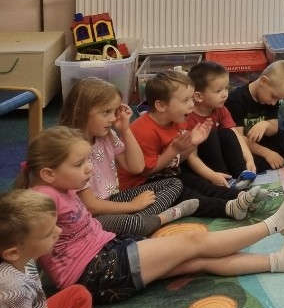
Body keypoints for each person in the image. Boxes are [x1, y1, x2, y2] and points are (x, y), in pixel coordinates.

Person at [17, 126, 284, 304]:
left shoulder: (63, 187)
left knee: (197, 260)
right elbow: (20, 248)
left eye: (87, 162)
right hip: (95, 271)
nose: (89, 169)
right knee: (193, 242)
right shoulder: (43, 198)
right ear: (48, 173)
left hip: (106, 254)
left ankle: (278, 262)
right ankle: (274, 225)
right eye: (79, 164)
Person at [58, 77, 198, 237]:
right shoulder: (70, 149)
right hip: (89, 217)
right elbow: (90, 206)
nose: (112, 118)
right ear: (80, 112)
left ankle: (143, 221)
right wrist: (133, 205)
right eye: (106, 112)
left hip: (112, 200)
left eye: (114, 112)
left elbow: (136, 167)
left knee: (174, 183)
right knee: (134, 223)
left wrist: (125, 129)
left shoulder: (106, 136)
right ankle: (158, 219)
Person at [118, 71, 259, 221]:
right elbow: (146, 171)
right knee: (185, 194)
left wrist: (192, 144)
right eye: (185, 100)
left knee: (198, 183)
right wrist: (174, 150)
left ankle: (241, 197)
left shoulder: (178, 120)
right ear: (161, 105)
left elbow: (179, 158)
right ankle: (227, 208)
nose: (192, 104)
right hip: (140, 186)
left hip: (168, 173)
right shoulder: (144, 130)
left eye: (191, 99)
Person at [0, 189, 123, 308]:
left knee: (78, 295)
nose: (59, 231)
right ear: (13, 253)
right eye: (48, 233)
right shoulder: (11, 287)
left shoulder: (24, 259)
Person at [185, 61, 256, 188]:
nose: (224, 94)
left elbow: (235, 135)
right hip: (202, 164)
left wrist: (249, 159)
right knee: (211, 135)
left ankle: (240, 172)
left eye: (226, 88)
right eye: (218, 91)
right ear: (199, 96)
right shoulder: (188, 118)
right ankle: (226, 179)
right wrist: (212, 175)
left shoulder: (220, 109)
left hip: (220, 154)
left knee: (228, 132)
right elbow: (191, 157)